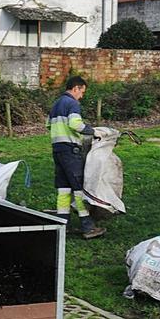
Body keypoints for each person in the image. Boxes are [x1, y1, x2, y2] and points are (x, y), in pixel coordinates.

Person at [48, 76, 105, 239]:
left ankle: (61, 226)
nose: (82, 96)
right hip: (70, 151)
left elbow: (48, 125)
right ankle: (88, 227)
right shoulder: (72, 103)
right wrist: (93, 131)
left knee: (63, 189)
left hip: (57, 150)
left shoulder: (56, 104)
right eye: (82, 92)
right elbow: (75, 125)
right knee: (79, 189)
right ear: (76, 88)